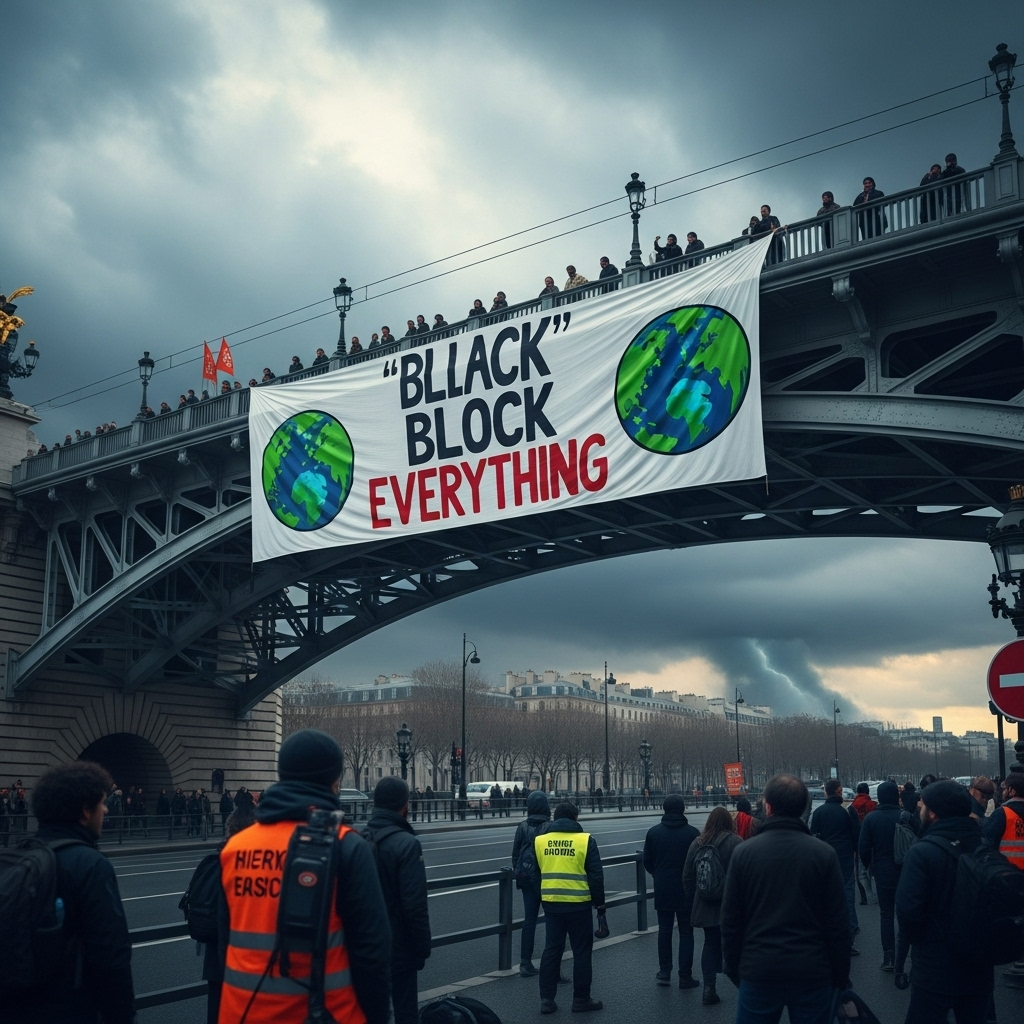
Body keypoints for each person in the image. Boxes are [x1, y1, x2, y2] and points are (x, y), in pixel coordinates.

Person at [217, 729, 392, 1024]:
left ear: (282, 775)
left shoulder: (235, 848)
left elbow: (223, 942)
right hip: (326, 1014)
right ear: (334, 781)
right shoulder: (346, 846)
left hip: (242, 1013)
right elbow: (373, 953)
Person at [7, 761, 135, 1024]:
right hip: (67, 1009)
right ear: (86, 811)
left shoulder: (18, 854)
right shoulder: (90, 864)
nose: (106, 810)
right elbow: (111, 957)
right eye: (102, 803)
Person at [721, 773, 850, 1024]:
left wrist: (736, 968)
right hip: (812, 969)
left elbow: (731, 921)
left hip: (759, 968)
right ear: (803, 808)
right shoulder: (824, 854)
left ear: (768, 807)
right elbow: (837, 923)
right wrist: (840, 975)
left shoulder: (743, 853)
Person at [896, 780, 992, 1024]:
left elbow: (908, 911)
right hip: (979, 963)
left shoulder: (922, 852)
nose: (919, 806)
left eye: (923, 804)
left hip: (935, 964)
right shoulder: (983, 847)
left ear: (933, 813)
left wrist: (920, 944)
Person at [363, 777, 431, 1024]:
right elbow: (414, 905)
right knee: (405, 1011)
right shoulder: (407, 844)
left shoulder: (359, 838)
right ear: (404, 805)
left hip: (365, 945)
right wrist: (422, 948)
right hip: (398, 946)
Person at [533, 801, 605, 1014]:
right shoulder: (585, 840)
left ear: (555, 819)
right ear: (575, 818)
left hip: (552, 904)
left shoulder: (540, 841)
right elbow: (596, 876)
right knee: (581, 952)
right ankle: (581, 999)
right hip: (579, 904)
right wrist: (600, 904)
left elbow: (535, 874)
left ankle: (546, 1000)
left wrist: (542, 898)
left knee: (552, 950)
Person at [683, 806, 742, 1006]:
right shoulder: (735, 842)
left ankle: (709, 988)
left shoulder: (698, 842)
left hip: (705, 904)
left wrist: (693, 899)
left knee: (710, 944)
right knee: (733, 944)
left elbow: (687, 876)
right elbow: (743, 875)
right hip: (730, 904)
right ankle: (744, 989)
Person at [642, 794, 701, 989]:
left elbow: (647, 861)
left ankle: (664, 972)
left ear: (664, 809)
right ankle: (685, 975)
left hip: (663, 886)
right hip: (687, 887)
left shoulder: (654, 833)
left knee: (665, 930)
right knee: (686, 931)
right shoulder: (693, 833)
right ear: (683, 809)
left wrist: (657, 874)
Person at [858, 781, 904, 974]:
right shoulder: (905, 816)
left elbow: (863, 847)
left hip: (883, 869)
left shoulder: (872, 818)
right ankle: (905, 955)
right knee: (905, 913)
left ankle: (889, 956)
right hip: (906, 869)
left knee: (886, 914)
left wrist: (870, 866)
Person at [811, 778, 861, 953]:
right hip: (845, 855)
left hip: (825, 856)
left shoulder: (819, 812)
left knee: (825, 895)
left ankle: (826, 935)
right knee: (847, 893)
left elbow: (814, 836)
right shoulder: (847, 811)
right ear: (839, 791)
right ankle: (850, 933)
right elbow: (856, 834)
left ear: (826, 792)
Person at [512, 789, 551, 976]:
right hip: (546, 878)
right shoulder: (550, 827)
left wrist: (521, 873)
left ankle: (525, 962)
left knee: (530, 920)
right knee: (552, 920)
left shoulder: (522, 827)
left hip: (527, 878)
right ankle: (551, 964)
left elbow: (515, 854)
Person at [981, 770, 1024, 864]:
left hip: (1007, 869)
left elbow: (987, 844)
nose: (1003, 792)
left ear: (1012, 791)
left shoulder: (1002, 814)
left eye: (1005, 789)